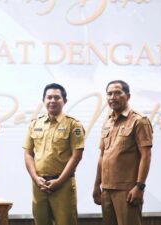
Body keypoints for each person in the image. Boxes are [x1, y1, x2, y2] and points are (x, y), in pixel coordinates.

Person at [23, 83, 85, 225]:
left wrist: (59, 181)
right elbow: (28, 154)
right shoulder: (35, 124)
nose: (52, 101)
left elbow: (77, 156)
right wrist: (36, 178)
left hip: (63, 185)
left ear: (64, 101)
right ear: (43, 100)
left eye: (57, 97)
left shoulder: (73, 125)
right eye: (49, 97)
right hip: (39, 185)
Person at [93, 80, 153, 225]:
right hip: (106, 189)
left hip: (127, 190)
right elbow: (102, 156)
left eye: (117, 93)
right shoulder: (108, 121)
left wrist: (139, 187)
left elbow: (146, 155)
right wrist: (96, 185)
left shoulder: (139, 120)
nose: (113, 97)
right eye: (109, 94)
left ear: (128, 96)